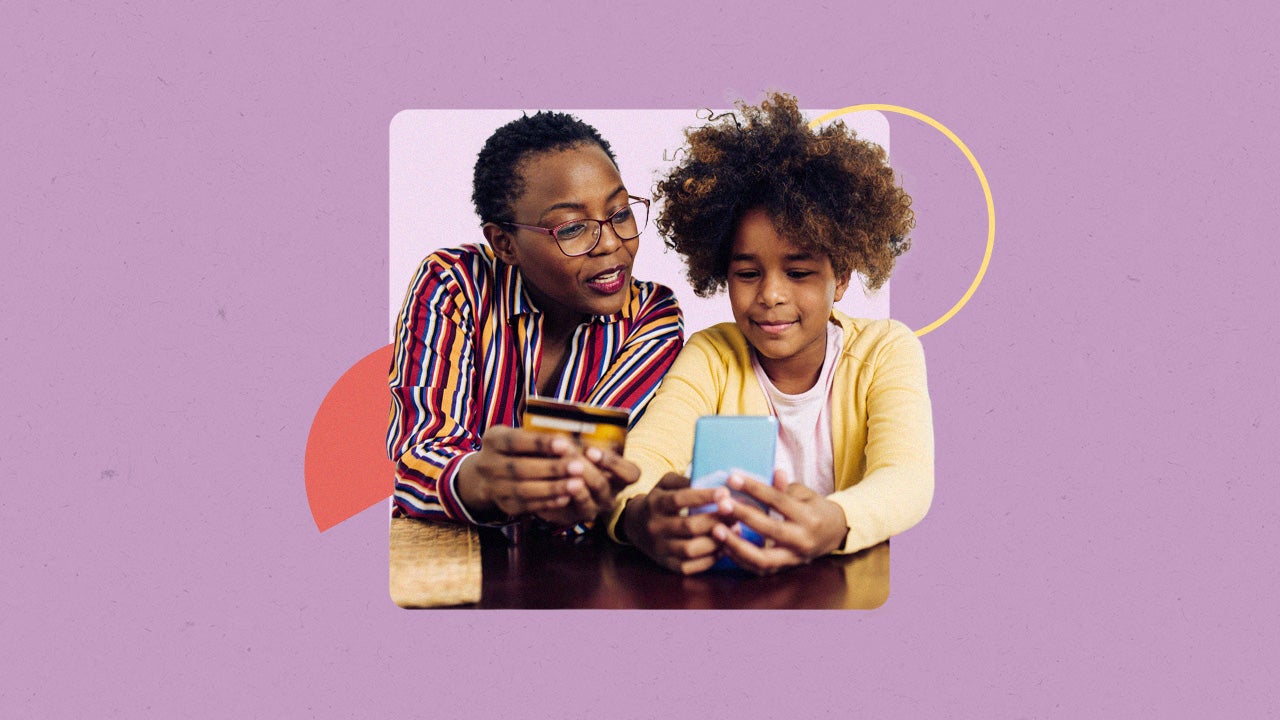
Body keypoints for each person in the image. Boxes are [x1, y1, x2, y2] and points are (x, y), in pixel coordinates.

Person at [608, 92, 933, 575]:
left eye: (799, 273)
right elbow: (647, 455)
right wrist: (637, 515)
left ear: (840, 278)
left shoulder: (886, 350)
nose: (771, 295)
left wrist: (837, 521)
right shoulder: (712, 354)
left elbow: (906, 478)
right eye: (747, 273)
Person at [387, 111, 684, 529]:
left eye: (620, 213)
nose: (612, 243)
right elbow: (415, 460)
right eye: (571, 228)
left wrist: (576, 484)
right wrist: (482, 482)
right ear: (505, 244)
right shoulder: (454, 285)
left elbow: (593, 472)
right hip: (448, 565)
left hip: (570, 578)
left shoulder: (651, 316)